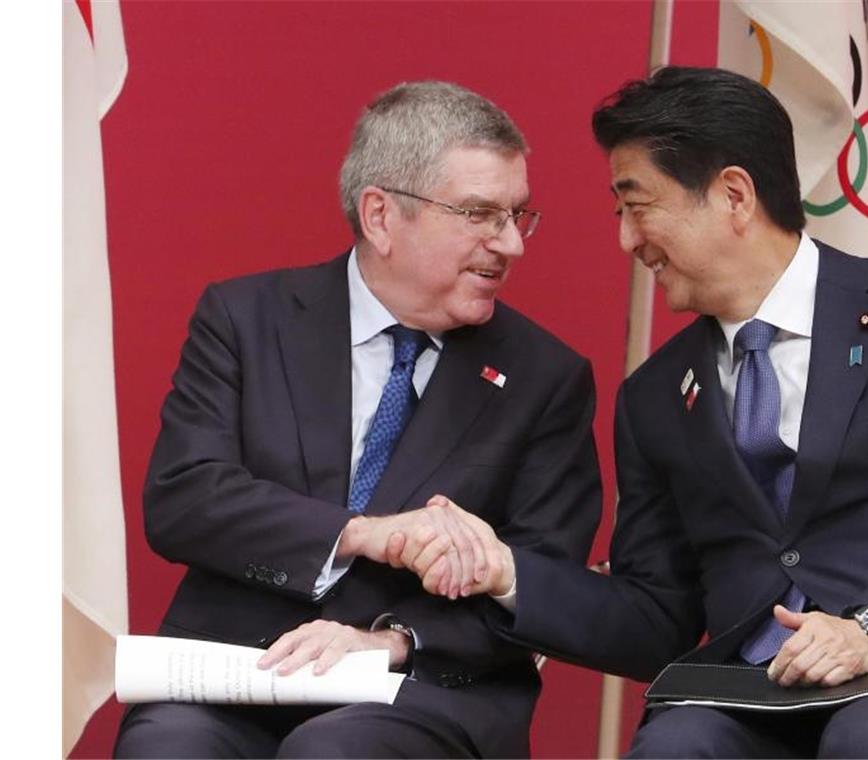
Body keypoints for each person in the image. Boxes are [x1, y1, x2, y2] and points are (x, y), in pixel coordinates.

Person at [424, 66, 868, 757]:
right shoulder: (654, 397)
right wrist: (507, 573)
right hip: (753, 694)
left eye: (639, 206)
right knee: (674, 748)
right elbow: (655, 615)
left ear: (732, 194)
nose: (628, 241)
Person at [113, 81, 602, 759]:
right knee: (170, 748)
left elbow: (544, 578)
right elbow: (184, 498)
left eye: (520, 215)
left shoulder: (545, 377)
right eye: (481, 214)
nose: (511, 243)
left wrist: (391, 641)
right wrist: (365, 535)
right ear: (380, 216)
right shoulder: (247, 320)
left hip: (421, 687)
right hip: (238, 673)